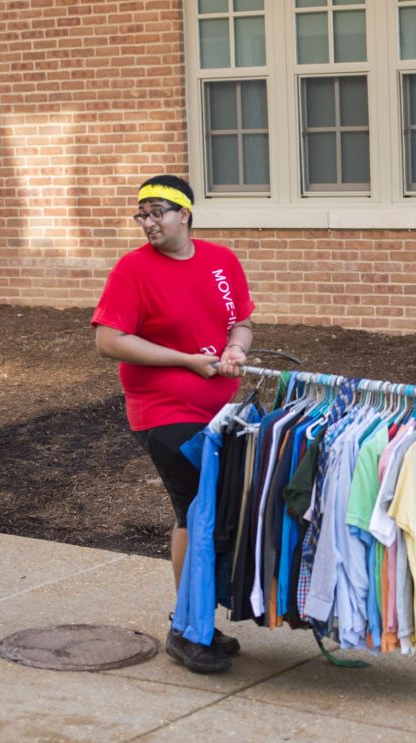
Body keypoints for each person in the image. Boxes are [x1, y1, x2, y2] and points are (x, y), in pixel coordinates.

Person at [92, 175, 254, 674]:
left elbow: (241, 321)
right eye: (141, 214)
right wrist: (186, 360)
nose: (148, 222)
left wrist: (235, 349)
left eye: (157, 211)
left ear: (185, 213)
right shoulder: (132, 270)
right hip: (163, 412)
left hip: (221, 412)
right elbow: (109, 339)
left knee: (212, 514)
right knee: (195, 512)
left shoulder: (221, 260)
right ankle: (186, 630)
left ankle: (198, 617)